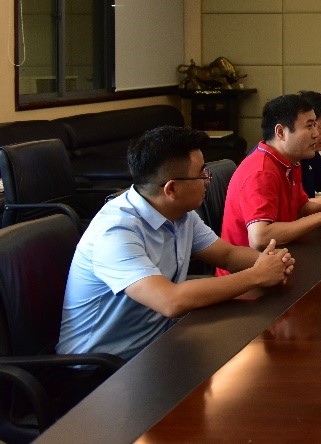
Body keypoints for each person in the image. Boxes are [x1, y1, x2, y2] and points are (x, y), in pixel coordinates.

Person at [57, 126, 295, 361]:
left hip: (157, 345)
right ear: (171, 188)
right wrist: (256, 275)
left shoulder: (181, 214)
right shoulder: (116, 232)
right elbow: (171, 301)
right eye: (201, 174)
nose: (207, 181)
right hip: (101, 368)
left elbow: (227, 255)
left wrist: (274, 262)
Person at [220, 94, 321, 255]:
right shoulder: (261, 171)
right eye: (309, 126)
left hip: (282, 255)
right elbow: (260, 238)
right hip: (251, 266)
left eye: (315, 125)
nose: (316, 134)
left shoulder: (291, 161)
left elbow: (300, 208)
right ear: (281, 132)